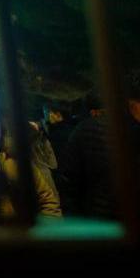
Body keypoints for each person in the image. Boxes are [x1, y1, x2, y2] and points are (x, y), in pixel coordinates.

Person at [58, 76, 140, 219]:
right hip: (104, 224)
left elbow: (69, 183)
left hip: (98, 223)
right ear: (132, 104)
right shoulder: (90, 131)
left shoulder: (83, 129)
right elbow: (70, 183)